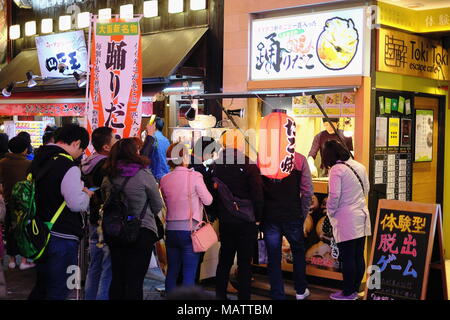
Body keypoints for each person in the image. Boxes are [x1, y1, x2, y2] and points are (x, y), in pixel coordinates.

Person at [28, 124, 93, 300]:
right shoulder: (67, 165)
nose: (81, 154)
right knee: (59, 287)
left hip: (39, 232)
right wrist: (86, 195)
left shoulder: (38, 160)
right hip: (62, 236)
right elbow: (76, 204)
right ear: (76, 142)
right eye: (82, 149)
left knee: (42, 286)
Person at [102, 137, 163, 300]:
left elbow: (106, 201)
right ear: (133, 153)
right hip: (141, 231)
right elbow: (157, 204)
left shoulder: (109, 176)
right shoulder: (143, 174)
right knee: (135, 281)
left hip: (115, 231)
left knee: (118, 277)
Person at [211, 132, 264, 300]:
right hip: (246, 220)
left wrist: (217, 213)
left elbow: (213, 193)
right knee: (244, 262)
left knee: (225, 258)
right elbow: (257, 194)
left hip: (226, 219)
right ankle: (244, 298)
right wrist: (258, 217)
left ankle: (220, 295)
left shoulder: (216, 165)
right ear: (239, 144)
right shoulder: (249, 165)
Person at [160, 142, 213, 293]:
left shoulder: (164, 179)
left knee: (172, 272)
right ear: (184, 157)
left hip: (170, 230)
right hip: (190, 230)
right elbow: (209, 200)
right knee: (189, 275)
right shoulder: (195, 176)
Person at [322, 140, 371, 300]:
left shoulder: (337, 170)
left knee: (347, 256)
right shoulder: (359, 166)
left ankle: (348, 292)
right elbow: (367, 188)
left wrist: (330, 211)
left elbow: (334, 196)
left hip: (346, 218)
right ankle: (355, 289)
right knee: (358, 255)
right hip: (361, 215)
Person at [261, 152, 313, 300]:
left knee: (273, 255)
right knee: (298, 251)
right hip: (292, 214)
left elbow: (258, 190)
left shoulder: (264, 158)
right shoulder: (299, 159)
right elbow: (307, 191)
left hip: (270, 215)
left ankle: (277, 294)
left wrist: (260, 214)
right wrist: (302, 214)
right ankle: (300, 291)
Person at [81, 127, 117, 300]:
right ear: (106, 147)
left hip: (93, 218)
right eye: (114, 138)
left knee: (94, 265)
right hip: (106, 220)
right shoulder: (105, 165)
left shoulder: (88, 162)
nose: (117, 140)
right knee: (107, 268)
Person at [0, 136, 34, 270]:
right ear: (25, 149)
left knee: (10, 230)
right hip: (25, 203)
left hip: (8, 201)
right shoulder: (29, 164)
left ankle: (12, 260)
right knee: (24, 231)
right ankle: (24, 260)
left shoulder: (2, 162)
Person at [141, 117, 170, 181]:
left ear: (153, 125)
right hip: (166, 173)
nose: (146, 126)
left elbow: (144, 156)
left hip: (155, 174)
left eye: (148, 124)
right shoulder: (166, 140)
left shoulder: (151, 140)